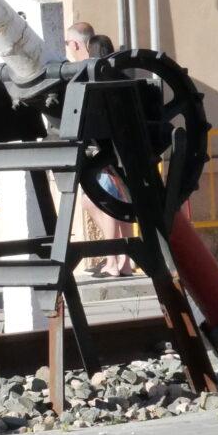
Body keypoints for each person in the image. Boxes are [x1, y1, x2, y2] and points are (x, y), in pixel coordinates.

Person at [82, 32, 134, 277]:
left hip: (107, 155)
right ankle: (126, 260)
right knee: (123, 206)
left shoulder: (94, 82)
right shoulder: (123, 78)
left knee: (106, 204)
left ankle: (113, 261)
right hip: (126, 152)